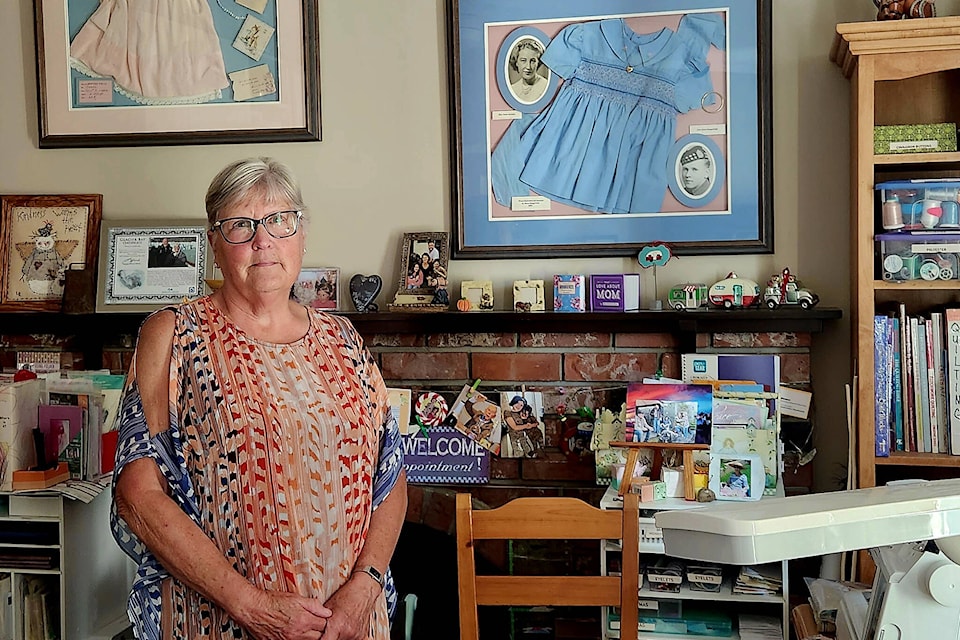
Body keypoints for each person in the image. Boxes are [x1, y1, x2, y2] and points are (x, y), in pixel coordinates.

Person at [110, 157, 407, 640]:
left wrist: (366, 586)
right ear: (212, 243)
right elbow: (138, 496)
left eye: (279, 221)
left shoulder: (344, 338)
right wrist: (252, 607)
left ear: (302, 234)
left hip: (350, 624)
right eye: (240, 226)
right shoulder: (174, 335)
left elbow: (390, 476)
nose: (262, 240)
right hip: (219, 622)